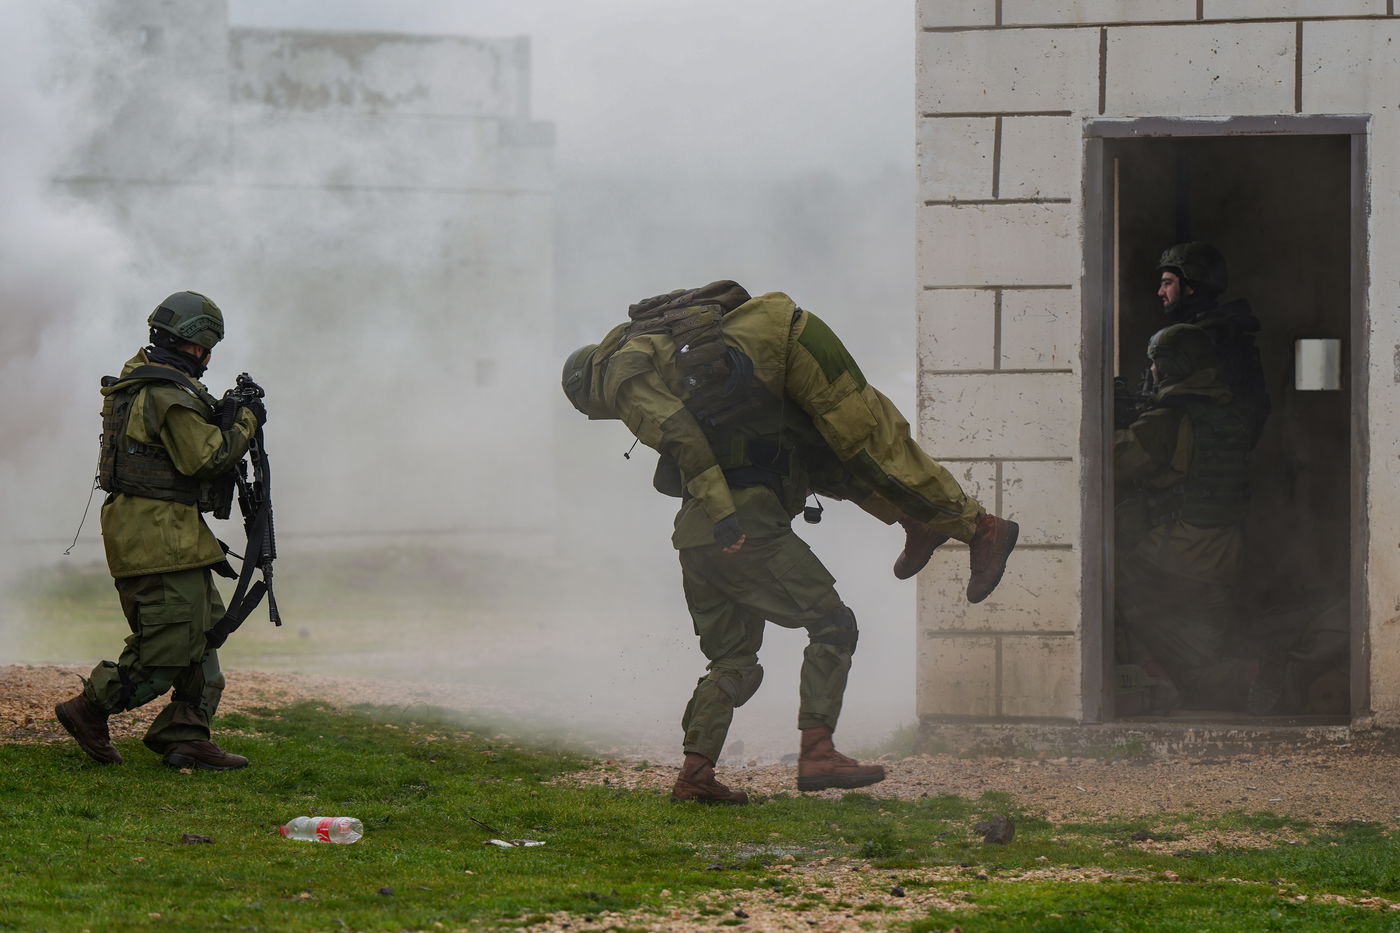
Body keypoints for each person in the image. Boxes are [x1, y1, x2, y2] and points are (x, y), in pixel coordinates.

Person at [562, 281, 1018, 804]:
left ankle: (695, 775)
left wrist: (722, 513)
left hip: (696, 539)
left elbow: (686, 440)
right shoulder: (697, 383)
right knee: (833, 625)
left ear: (587, 390)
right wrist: (729, 515)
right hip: (743, 527)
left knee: (733, 663)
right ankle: (817, 752)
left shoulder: (630, 373)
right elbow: (700, 442)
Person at [54, 291, 266, 770]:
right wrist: (246, 421)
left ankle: (186, 735)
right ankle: (90, 708)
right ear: (193, 344)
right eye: (205, 349)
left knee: (202, 634)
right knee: (168, 645)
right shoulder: (166, 393)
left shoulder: (151, 383)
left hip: (172, 535)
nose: (207, 359)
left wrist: (226, 413)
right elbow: (206, 457)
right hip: (157, 538)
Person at [1114, 323, 1254, 712]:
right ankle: (1241, 680)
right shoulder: (1224, 413)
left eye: (1156, 363)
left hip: (1176, 555)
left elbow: (1114, 462)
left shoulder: (1170, 417)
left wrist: (1111, 426)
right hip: (1222, 556)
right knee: (1201, 646)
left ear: (1174, 366)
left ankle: (1157, 687)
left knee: (1110, 586)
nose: (1152, 371)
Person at [1154, 242, 1270, 446]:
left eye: (1167, 283)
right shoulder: (1215, 332)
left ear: (1191, 287)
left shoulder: (1209, 339)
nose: (1161, 292)